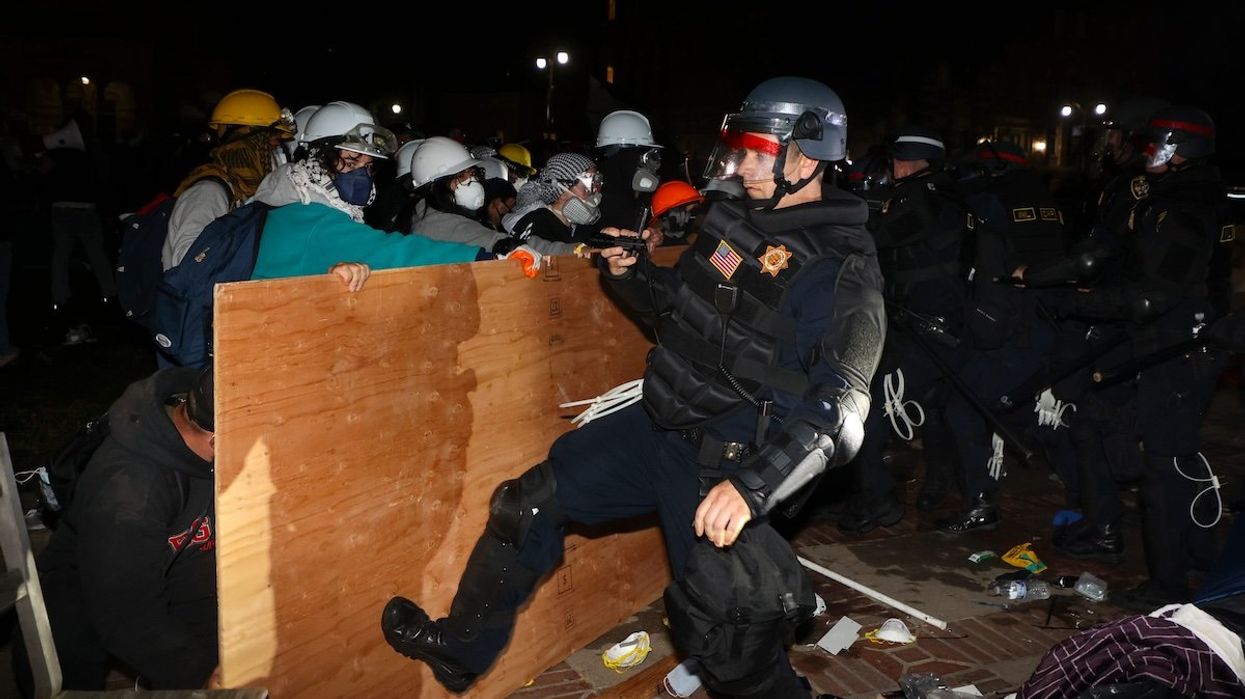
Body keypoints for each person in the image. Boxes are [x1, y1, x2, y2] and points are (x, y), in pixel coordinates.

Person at [380, 76, 884, 698]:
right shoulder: (734, 220)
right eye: (742, 150)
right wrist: (633, 273)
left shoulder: (841, 267)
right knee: (527, 503)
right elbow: (681, 311)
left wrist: (752, 488)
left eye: (759, 151)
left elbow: (842, 411)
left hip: (725, 464)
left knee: (733, 651)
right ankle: (460, 651)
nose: (745, 165)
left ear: (806, 156)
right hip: (659, 425)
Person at [15, 368, 220, 692]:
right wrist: (199, 674)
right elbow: (126, 612)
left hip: (177, 567)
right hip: (94, 597)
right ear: (216, 441)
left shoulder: (206, 430)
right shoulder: (130, 494)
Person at [839, 126, 969, 535]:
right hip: (934, 324)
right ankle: (936, 482)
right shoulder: (948, 195)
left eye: (900, 159)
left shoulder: (920, 198)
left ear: (919, 162)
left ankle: (877, 499)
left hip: (919, 325)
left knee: (869, 408)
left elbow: (876, 238)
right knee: (932, 407)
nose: (893, 167)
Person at [250, 103, 487, 279]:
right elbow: (390, 252)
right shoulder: (309, 218)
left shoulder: (285, 199)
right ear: (318, 159)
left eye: (368, 166)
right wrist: (483, 258)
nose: (362, 175)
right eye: (351, 162)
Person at [161, 89, 294, 271]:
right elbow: (189, 264)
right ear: (248, 146)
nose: (274, 158)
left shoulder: (243, 192)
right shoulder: (208, 192)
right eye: (269, 147)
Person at [502, 152, 602, 246]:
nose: (595, 195)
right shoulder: (541, 224)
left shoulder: (573, 228)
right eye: (588, 189)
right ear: (563, 192)